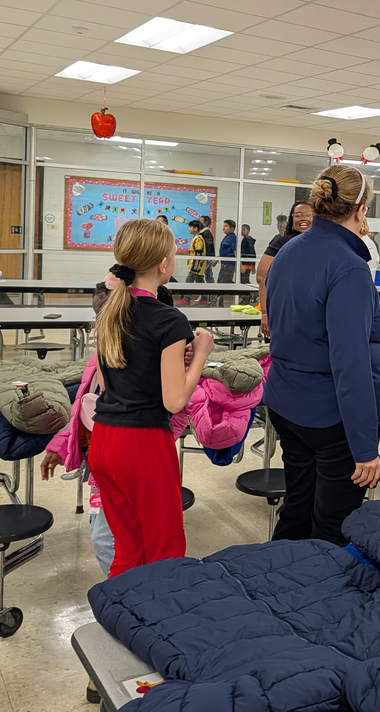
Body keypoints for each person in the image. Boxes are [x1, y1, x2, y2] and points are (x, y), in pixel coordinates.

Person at [264, 165, 380, 545]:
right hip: (330, 417)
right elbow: (350, 365)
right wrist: (366, 448)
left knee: (298, 509)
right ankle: (319, 597)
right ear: (361, 211)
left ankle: (275, 586)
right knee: (334, 527)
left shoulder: (288, 252)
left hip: (286, 404)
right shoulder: (348, 268)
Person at [90, 219, 214, 577]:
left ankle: (122, 623)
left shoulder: (109, 312)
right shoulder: (169, 320)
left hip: (105, 440)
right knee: (165, 550)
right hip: (142, 444)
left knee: (128, 547)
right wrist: (201, 352)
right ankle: (157, 627)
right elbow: (175, 400)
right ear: (163, 264)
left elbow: (107, 376)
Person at [257, 201, 312, 338]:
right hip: (286, 311)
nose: (303, 218)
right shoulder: (282, 243)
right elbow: (262, 276)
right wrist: (265, 314)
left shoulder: (325, 244)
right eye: (298, 215)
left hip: (314, 314)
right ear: (292, 219)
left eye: (308, 215)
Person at [218, 219, 237, 284]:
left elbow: (235, 251)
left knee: (224, 282)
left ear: (232, 228)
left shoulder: (232, 237)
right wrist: (217, 260)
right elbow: (224, 251)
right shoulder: (227, 237)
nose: (223, 228)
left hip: (229, 264)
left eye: (226, 226)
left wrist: (240, 265)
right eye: (223, 226)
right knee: (222, 281)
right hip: (224, 262)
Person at [200, 215, 216, 284]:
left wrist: (205, 258)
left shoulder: (206, 233)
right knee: (209, 276)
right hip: (207, 258)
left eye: (200, 222)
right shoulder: (203, 232)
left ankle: (205, 293)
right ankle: (212, 293)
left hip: (205, 258)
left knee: (199, 275)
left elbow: (207, 247)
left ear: (205, 223)